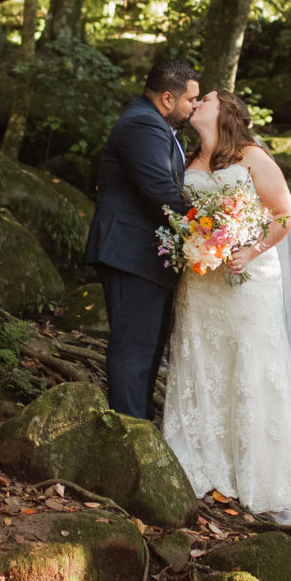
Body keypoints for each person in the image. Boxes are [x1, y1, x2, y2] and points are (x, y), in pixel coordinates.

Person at [161, 91, 291, 526]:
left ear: (227, 112)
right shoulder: (187, 160)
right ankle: (203, 463)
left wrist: (249, 250)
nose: (197, 102)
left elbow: (286, 215)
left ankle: (263, 471)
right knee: (202, 360)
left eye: (209, 98)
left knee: (252, 363)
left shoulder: (251, 156)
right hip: (201, 283)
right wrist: (194, 243)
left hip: (248, 280)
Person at [84, 56, 199, 419]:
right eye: (190, 100)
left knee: (148, 350)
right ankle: (127, 433)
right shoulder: (142, 125)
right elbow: (161, 190)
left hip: (147, 256)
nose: (194, 107)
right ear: (168, 98)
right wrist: (214, 226)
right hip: (130, 253)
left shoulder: (154, 124)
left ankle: (138, 426)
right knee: (133, 350)